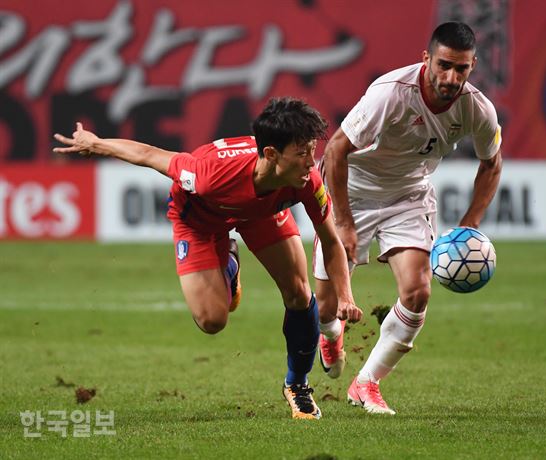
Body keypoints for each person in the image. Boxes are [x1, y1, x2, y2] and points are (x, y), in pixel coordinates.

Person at [53, 97, 363, 420]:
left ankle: (297, 384)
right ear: (271, 154)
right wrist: (97, 143)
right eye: (301, 154)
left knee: (299, 292)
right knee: (212, 321)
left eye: (312, 150)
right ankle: (229, 262)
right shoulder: (209, 174)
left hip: (260, 213)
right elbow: (151, 155)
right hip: (199, 222)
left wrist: (345, 295)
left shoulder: (305, 180)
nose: (310, 162)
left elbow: (331, 240)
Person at [313, 22, 503, 415]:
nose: (451, 78)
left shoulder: (477, 108)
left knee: (417, 292)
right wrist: (344, 222)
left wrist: (470, 221)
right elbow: (334, 151)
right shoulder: (390, 95)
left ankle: (367, 383)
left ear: (473, 66)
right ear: (426, 60)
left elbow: (492, 163)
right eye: (444, 65)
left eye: (462, 69)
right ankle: (330, 333)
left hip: (409, 196)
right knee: (324, 305)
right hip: (354, 192)